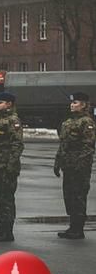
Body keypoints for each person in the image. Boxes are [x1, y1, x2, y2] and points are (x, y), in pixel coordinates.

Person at [54, 92, 96, 240]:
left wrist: (80, 163)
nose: (72, 105)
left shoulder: (86, 122)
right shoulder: (68, 122)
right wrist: (57, 162)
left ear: (83, 105)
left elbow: (88, 146)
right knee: (69, 196)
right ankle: (72, 227)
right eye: (72, 103)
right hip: (68, 166)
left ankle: (78, 229)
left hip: (80, 167)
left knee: (78, 197)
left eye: (75, 102)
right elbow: (63, 145)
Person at [0, 92, 23, 242]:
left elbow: (17, 144)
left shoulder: (13, 120)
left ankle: (7, 231)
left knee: (6, 199)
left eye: (1, 102)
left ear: (9, 104)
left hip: (6, 166)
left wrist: (11, 165)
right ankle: (1, 229)